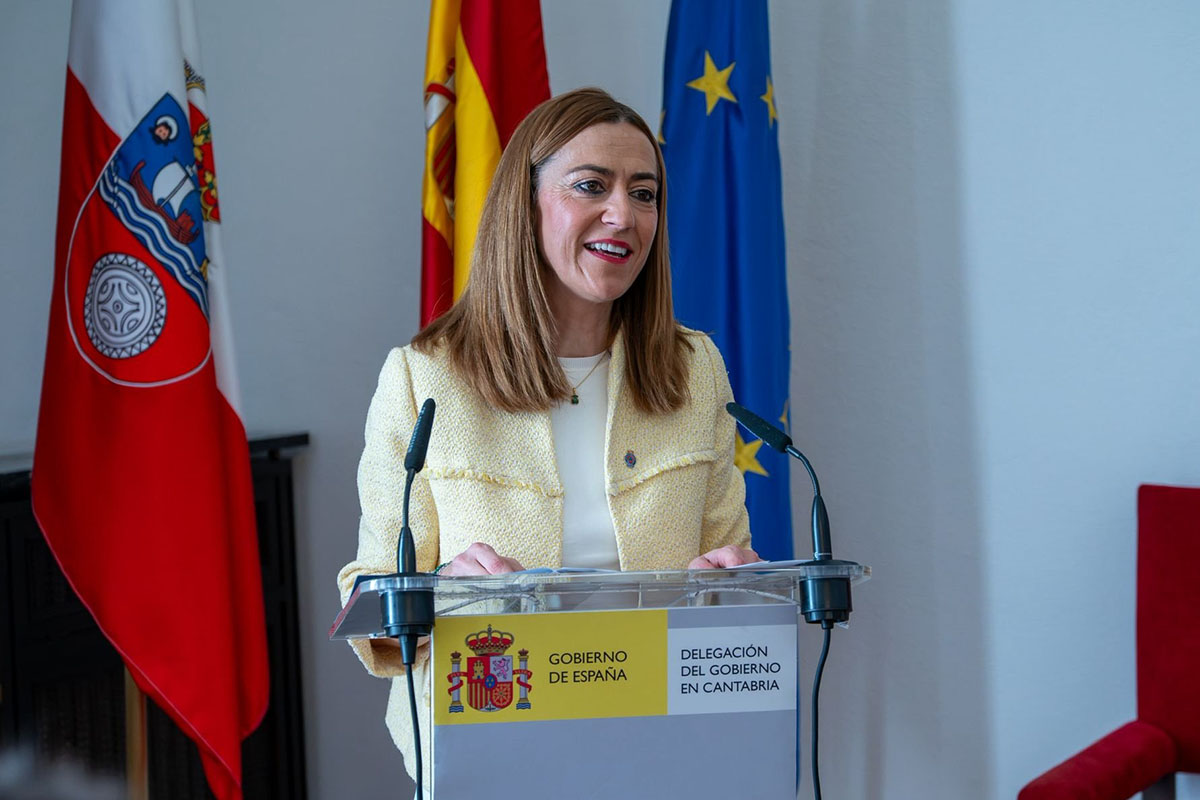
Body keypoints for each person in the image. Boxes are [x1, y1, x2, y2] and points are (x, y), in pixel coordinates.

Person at [336, 87, 757, 793]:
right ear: (523, 204)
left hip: (664, 744)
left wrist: (734, 580)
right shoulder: (423, 377)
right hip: (490, 748)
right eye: (591, 186)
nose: (623, 214)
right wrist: (439, 592)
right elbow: (369, 595)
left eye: (644, 194)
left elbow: (731, 568)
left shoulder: (695, 369)